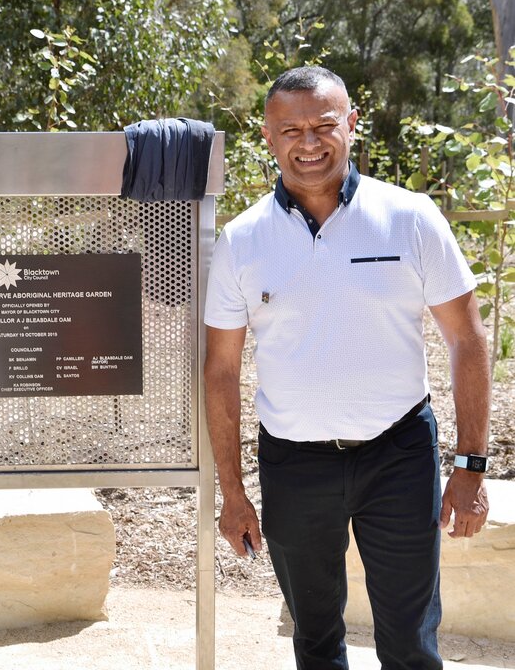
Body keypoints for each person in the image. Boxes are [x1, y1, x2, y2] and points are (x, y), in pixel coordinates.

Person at [203, 66, 491, 669]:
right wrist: (232, 492)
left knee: (411, 640)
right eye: (291, 130)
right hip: (294, 462)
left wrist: (469, 468)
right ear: (267, 135)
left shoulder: (409, 218)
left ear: (352, 125)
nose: (308, 143)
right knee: (314, 638)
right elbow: (221, 370)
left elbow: (467, 340)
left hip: (399, 453)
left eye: (324, 126)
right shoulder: (242, 239)